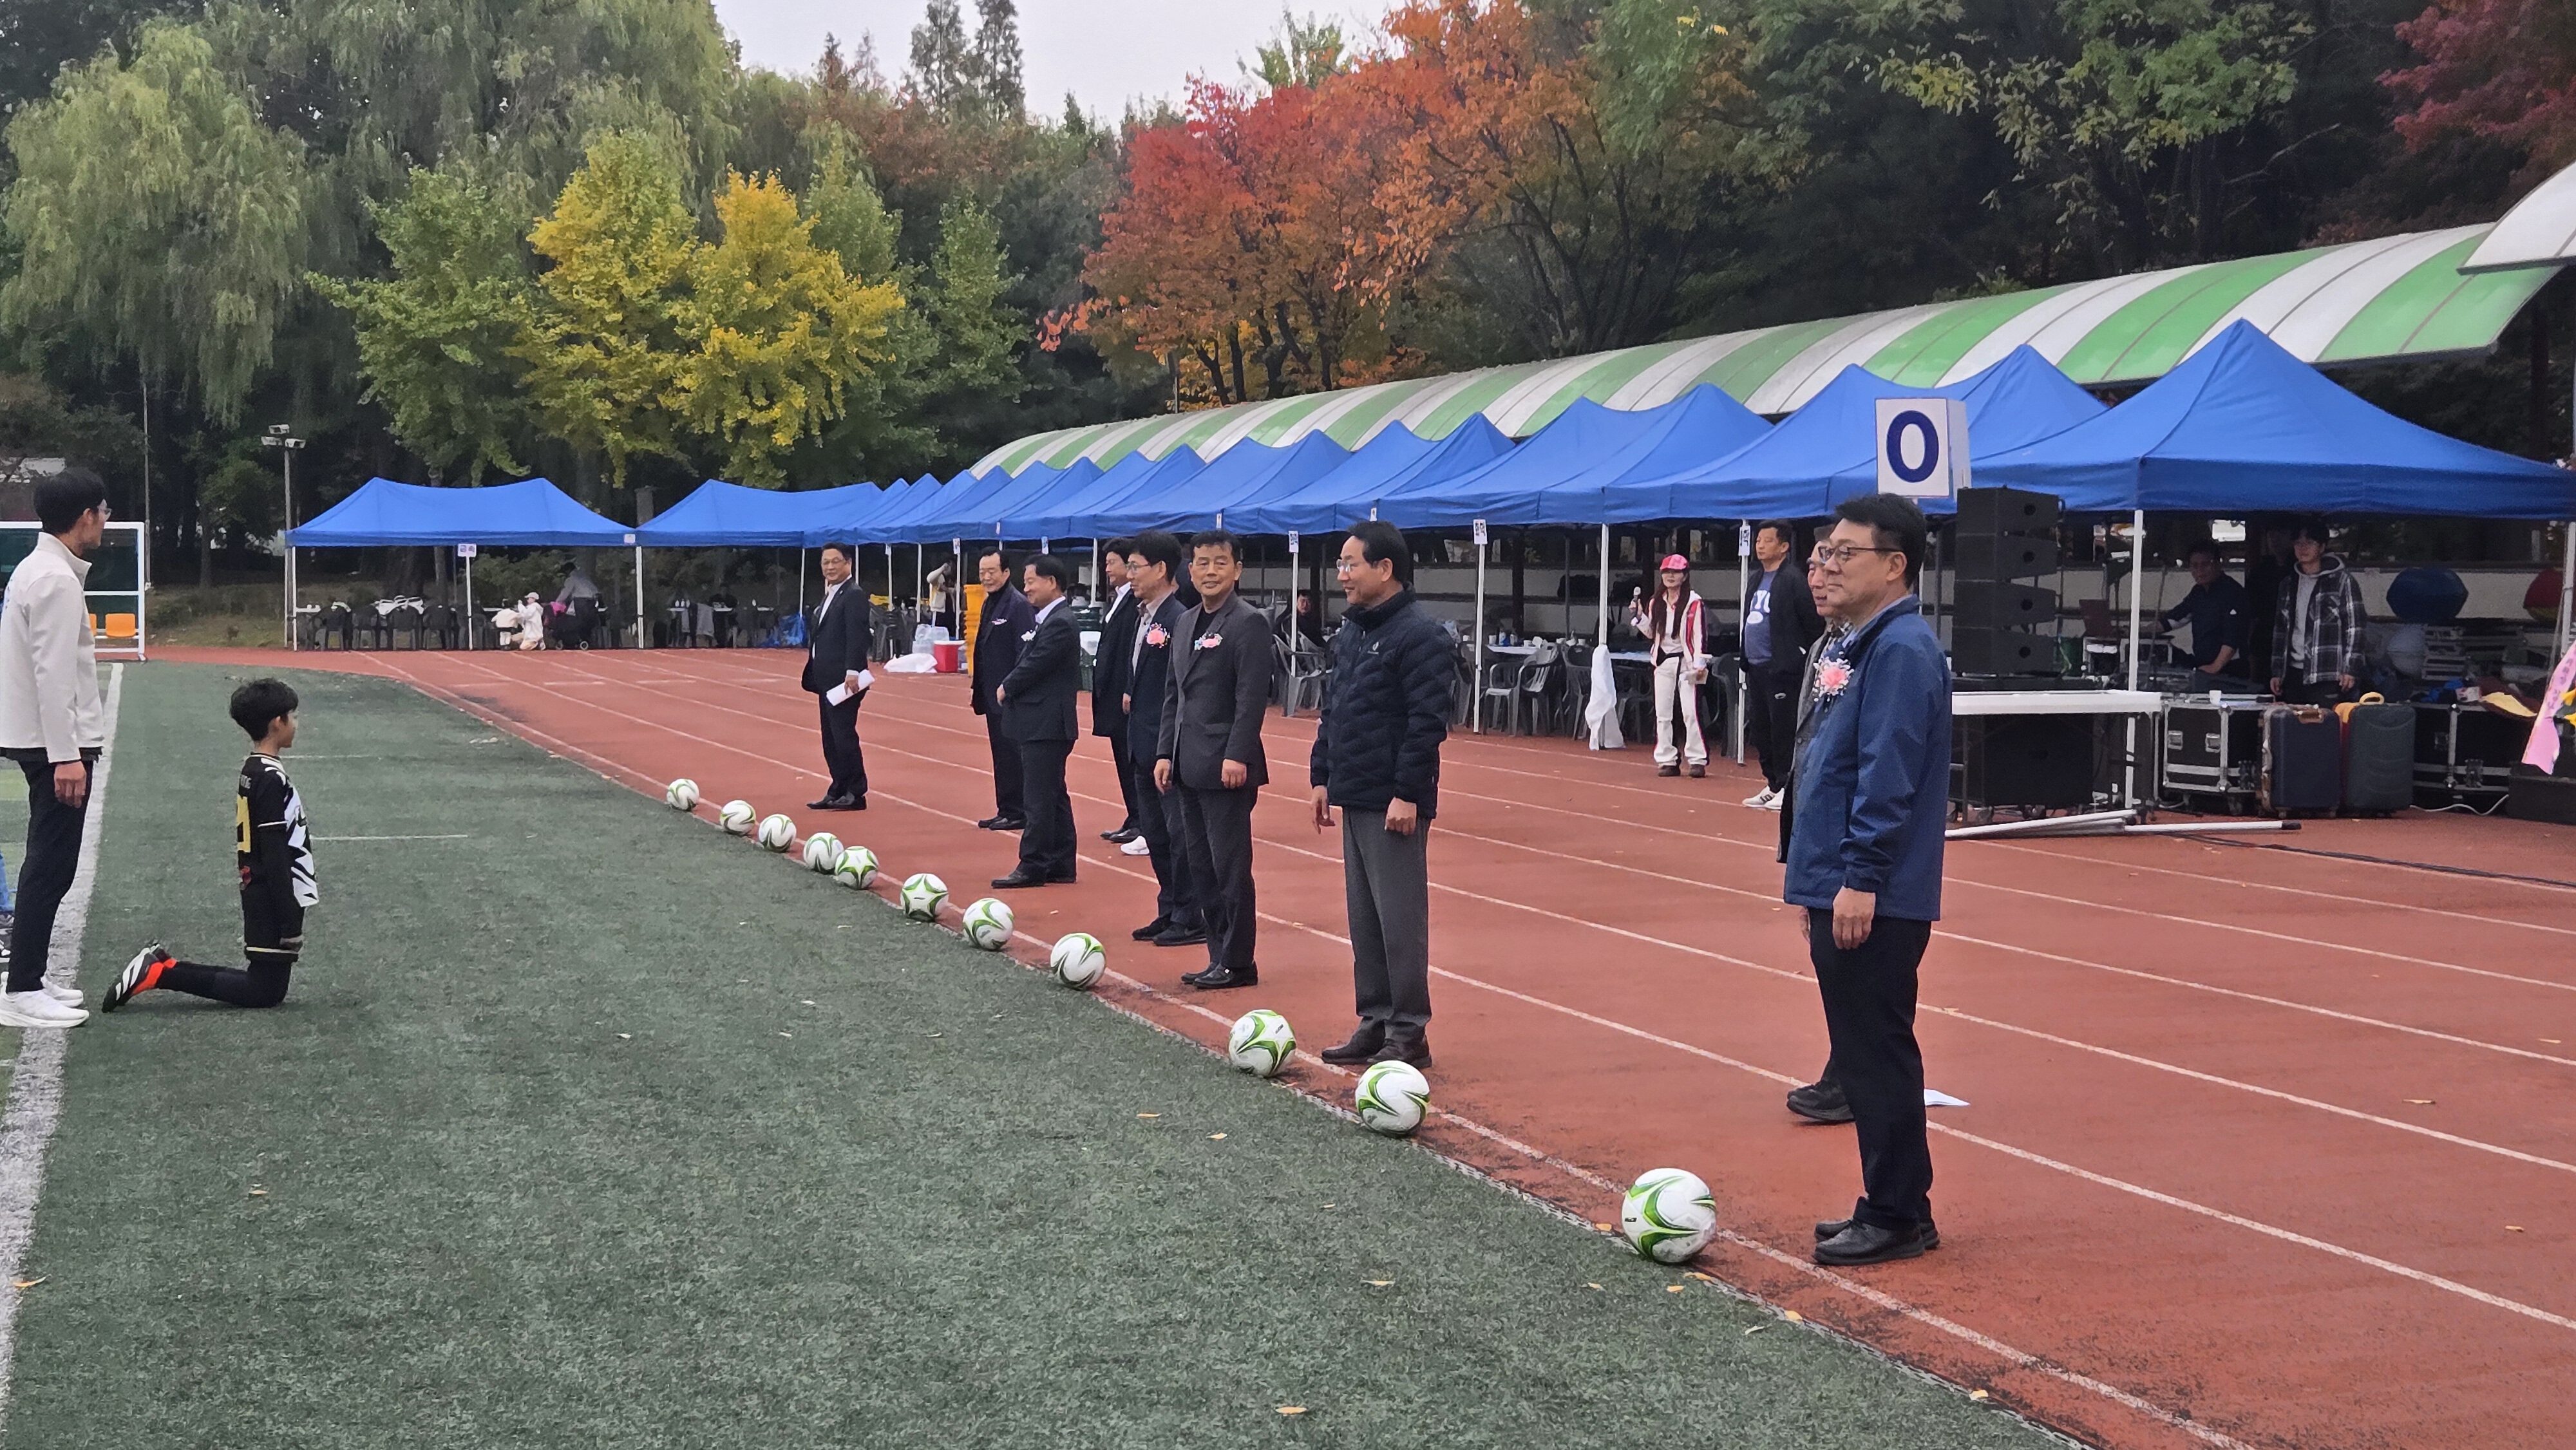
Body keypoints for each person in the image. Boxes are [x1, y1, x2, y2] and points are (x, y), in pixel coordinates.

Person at [1788, 494, 1951, 1267]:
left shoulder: (1900, 650)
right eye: (1824, 553)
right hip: (1840, 878)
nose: (1827, 566)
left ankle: (1893, 1213)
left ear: (1894, 566)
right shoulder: (1864, 643)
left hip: (1871, 889)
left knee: (1875, 1052)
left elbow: (1886, 774)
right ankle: (1899, 1204)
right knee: (1864, 1050)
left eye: (1843, 553)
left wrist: (1859, 876)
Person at [1311, 522, 1452, 1069]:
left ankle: (1409, 1030)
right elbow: (1335, 708)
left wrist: (1407, 794)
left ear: (1385, 568)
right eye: (1340, 565)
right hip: (1354, 790)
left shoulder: (1420, 636)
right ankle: (1375, 1018)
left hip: (1392, 800)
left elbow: (1426, 722)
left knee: (1399, 919)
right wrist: (1321, 775)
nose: (1342, 576)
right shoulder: (1353, 632)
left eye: (1351, 565)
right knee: (1365, 920)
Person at [102, 679, 317, 1013]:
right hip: (270, 894)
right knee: (263, 991)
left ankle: (162, 968)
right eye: (293, 716)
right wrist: (289, 917)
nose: (296, 723)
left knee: (266, 987)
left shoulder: (254, 769)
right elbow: (275, 853)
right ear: (278, 722)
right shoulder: (270, 778)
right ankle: (160, 973)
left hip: (260, 888)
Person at [0, 471, 111, 1028]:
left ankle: (31, 976)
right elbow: (52, 674)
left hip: (44, 740)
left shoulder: (42, 570)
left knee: (52, 861)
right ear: (85, 516)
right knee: (51, 864)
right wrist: (67, 755)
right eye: (103, 511)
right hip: (52, 745)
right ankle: (22, 988)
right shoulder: (54, 579)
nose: (106, 521)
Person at [1155, 530, 1274, 990]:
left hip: (1226, 767)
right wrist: (1165, 751)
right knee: (1201, 867)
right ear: (1190, 571)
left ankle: (1239, 961)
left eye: (1220, 563)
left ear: (1237, 570)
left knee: (1230, 869)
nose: (1210, 571)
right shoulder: (1185, 622)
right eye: (1202, 563)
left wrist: (1237, 754)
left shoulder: (1248, 623)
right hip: (1187, 764)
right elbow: (1174, 694)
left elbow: (1250, 697)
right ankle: (1217, 955)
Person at [1782, 545, 1852, 1127]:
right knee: (1826, 955)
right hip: (1813, 818)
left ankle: (1850, 1075)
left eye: (1831, 566)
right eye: (1812, 568)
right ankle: (1846, 1068)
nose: (1819, 579)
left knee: (1852, 963)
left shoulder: (1866, 650)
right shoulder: (1824, 645)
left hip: (1846, 833)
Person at [1121, 532, 1206, 947]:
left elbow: (1180, 689)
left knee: (1178, 836)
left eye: (1134, 567)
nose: (1129, 575)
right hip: (1142, 741)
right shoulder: (1145, 615)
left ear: (1160, 569)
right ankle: (1170, 907)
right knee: (1155, 834)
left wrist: (1168, 748)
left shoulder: (1178, 618)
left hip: (1165, 745)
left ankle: (1190, 916)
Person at [992, 554, 1082, 888]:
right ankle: (1060, 862)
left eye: (1031, 581)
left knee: (1039, 798)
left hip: (1046, 724)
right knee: (1054, 795)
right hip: (1042, 723)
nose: (1026, 588)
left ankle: (1033, 864)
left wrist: (1007, 686)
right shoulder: (1049, 619)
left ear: (1052, 582)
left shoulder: (1060, 622)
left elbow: (1037, 664)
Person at [1741, 520, 1822, 811]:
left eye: (1767, 541)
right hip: (1756, 666)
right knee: (1761, 729)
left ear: (1784, 546)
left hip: (1783, 669)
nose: (1760, 546)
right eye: (1758, 541)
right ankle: (1773, 782)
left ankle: (1788, 784)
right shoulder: (1755, 579)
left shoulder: (1793, 580)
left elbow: (1812, 621)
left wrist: (1798, 654)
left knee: (1783, 729)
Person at [803, 541, 873, 812]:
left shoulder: (853, 594)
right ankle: (839, 787)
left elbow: (857, 634)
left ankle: (856, 792)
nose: (830, 567)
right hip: (826, 678)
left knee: (843, 736)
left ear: (848, 563)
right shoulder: (831, 594)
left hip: (844, 681)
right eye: (826, 562)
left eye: (835, 561)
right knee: (830, 738)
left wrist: (853, 670)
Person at [970, 550, 1035, 831]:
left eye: (992, 572)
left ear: (1006, 573)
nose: (986, 577)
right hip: (991, 693)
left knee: (1012, 755)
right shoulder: (990, 602)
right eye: (982, 572)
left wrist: (1011, 686)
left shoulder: (1018, 605)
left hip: (1009, 695)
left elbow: (1024, 651)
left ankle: (1018, 810)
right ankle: (1006, 807)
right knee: (1001, 755)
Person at [1627, 554, 1709, 778]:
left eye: (1675, 572)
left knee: (1691, 713)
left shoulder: (1694, 602)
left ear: (1685, 576)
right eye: (1666, 572)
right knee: (1663, 713)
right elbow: (1652, 633)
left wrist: (1700, 663)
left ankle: (1697, 759)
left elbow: (1699, 634)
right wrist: (1639, 617)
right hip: (1663, 661)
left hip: (1687, 663)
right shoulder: (1656, 602)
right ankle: (1667, 759)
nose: (1670, 576)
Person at [2269, 520, 2365, 706]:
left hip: (2328, 672)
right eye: (2298, 543)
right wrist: (2277, 671)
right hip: (2293, 672)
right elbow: (2280, 630)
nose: (2303, 548)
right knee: (2292, 721)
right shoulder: (2288, 584)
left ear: (2322, 547)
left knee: (2324, 722)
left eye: (2310, 543)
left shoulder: (2343, 581)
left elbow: (2355, 628)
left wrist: (2350, 669)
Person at [1090, 539, 1144, 846]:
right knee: (1122, 759)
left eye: (1112, 563)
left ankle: (1141, 818)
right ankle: (1133, 815)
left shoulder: (1134, 602)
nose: (1107, 569)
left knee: (1131, 759)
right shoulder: (1118, 600)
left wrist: (1128, 688)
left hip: (1125, 696)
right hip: (1111, 694)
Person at [2152, 543, 2251, 680]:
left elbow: (2233, 638)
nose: (2200, 570)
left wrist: (2216, 667)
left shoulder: (2233, 592)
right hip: (2203, 665)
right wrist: (2137, 631)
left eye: (2205, 564)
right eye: (2194, 565)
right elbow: (2175, 618)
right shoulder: (2198, 592)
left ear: (2218, 564)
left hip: (2230, 669)